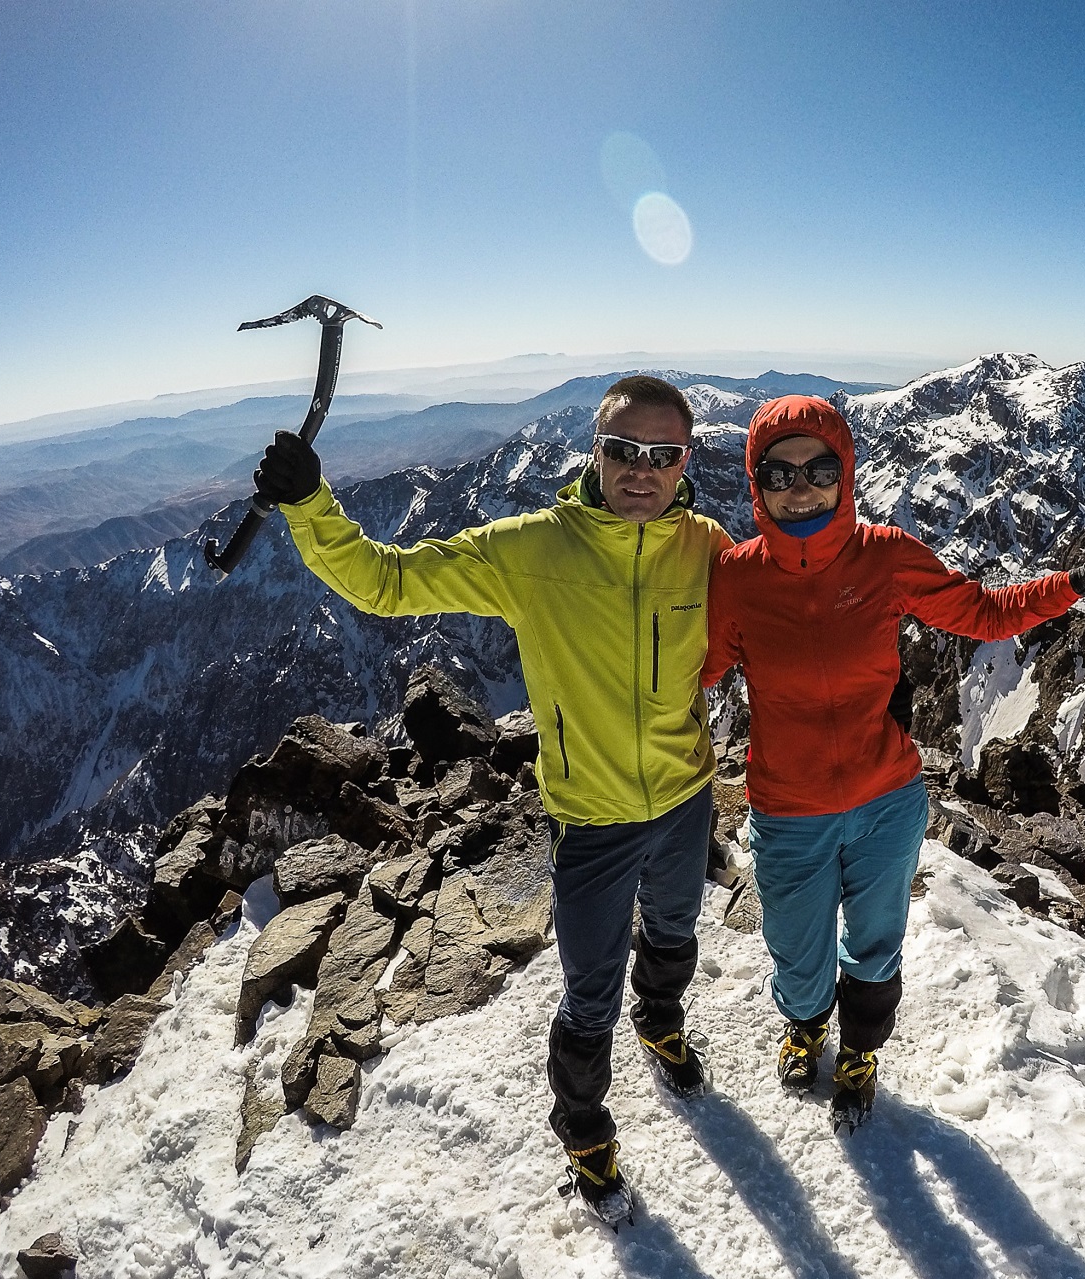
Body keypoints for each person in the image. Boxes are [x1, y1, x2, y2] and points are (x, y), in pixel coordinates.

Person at [255, 375, 731, 1220]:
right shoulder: (534, 549)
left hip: (688, 795)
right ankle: (583, 1129)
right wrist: (310, 505)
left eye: (662, 454)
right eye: (624, 449)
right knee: (590, 992)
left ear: (685, 461)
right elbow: (388, 581)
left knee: (673, 931)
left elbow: (787, 608)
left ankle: (661, 1020)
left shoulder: (706, 547)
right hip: (592, 818)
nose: (641, 469)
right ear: (595, 452)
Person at [701, 395, 1085, 1128]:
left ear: (845, 474)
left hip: (886, 801)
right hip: (788, 810)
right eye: (779, 472)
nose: (800, 487)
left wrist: (1078, 583)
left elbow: (985, 613)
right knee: (798, 960)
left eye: (818, 469)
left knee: (874, 949)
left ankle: (859, 1050)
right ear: (756, 482)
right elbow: (695, 671)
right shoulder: (736, 578)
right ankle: (805, 1024)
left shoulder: (885, 556)